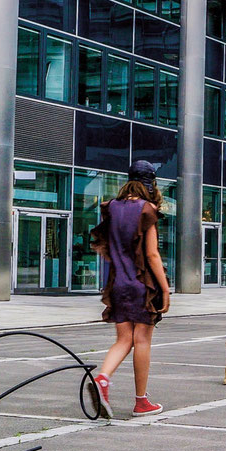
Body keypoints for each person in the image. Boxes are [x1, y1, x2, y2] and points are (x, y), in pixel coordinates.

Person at [87, 161, 171, 419]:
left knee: (123, 339)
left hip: (117, 283)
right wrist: (165, 290)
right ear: (150, 184)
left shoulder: (110, 208)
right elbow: (152, 254)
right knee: (142, 340)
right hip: (141, 284)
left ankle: (102, 379)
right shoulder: (147, 210)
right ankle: (141, 402)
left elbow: (106, 247)